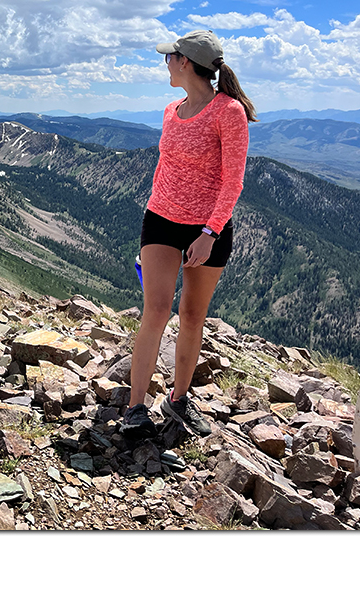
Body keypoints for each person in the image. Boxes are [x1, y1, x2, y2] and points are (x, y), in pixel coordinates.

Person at [122, 30, 257, 440]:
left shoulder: (227, 112)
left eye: (170, 57)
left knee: (192, 316)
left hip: (206, 230)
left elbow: (233, 181)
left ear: (185, 63)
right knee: (157, 310)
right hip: (161, 220)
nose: (165, 63)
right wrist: (152, 211)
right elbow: (165, 168)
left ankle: (178, 399)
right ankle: (135, 408)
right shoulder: (170, 110)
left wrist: (210, 232)